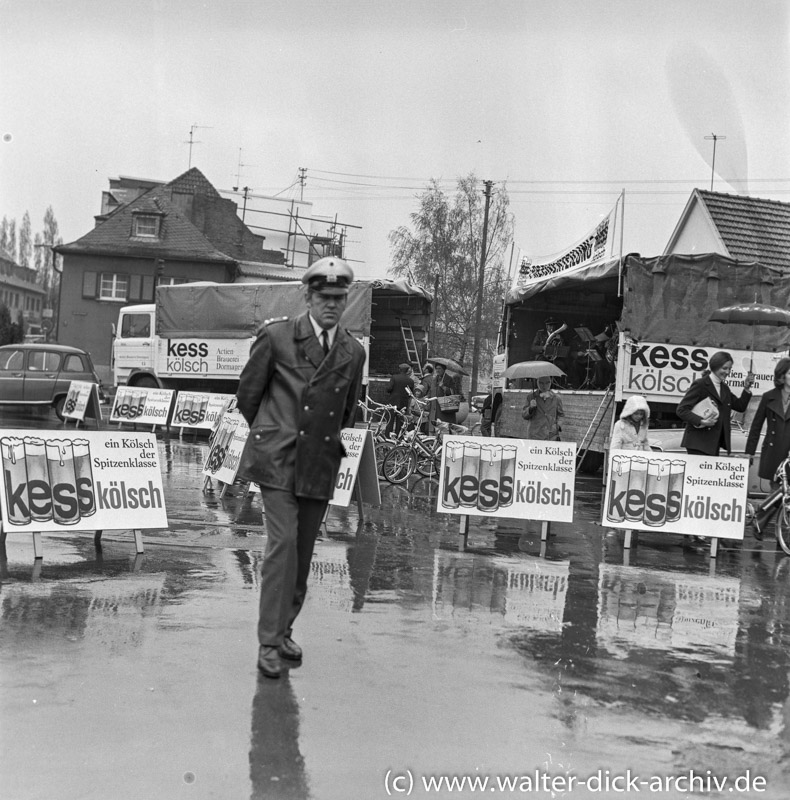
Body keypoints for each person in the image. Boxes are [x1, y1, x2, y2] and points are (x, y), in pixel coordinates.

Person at [236, 256, 366, 679]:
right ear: (307, 297)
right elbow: (248, 396)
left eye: (339, 298)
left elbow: (346, 411)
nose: (332, 304)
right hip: (278, 458)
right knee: (283, 544)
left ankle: (285, 628)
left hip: (319, 461)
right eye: (323, 297)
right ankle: (269, 642)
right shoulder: (276, 338)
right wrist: (275, 431)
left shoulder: (352, 351)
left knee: (304, 550)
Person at [676, 351, 754, 456]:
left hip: (713, 444)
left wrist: (746, 389)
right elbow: (681, 410)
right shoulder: (700, 384)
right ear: (715, 366)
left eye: (730, 369)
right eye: (724, 368)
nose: (727, 372)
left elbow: (740, 406)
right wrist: (702, 421)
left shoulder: (724, 388)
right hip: (697, 444)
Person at [745, 358, 790, 539]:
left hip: (789, 452)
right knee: (778, 491)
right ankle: (764, 524)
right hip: (774, 452)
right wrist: (749, 451)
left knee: (782, 493)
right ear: (782, 376)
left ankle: (760, 521)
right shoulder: (769, 396)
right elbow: (756, 426)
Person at [521, 376, 564, 441]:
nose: (544, 386)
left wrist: (558, 426)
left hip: (551, 436)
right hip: (535, 435)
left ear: (550, 383)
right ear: (537, 383)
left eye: (547, 383)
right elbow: (524, 415)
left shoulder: (556, 398)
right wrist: (530, 408)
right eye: (541, 383)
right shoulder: (531, 397)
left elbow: (561, 415)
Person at [385, 363, 415, 437]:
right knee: (400, 422)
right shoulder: (410, 381)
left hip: (392, 403)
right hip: (403, 404)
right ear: (407, 370)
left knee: (390, 421)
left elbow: (389, 389)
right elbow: (410, 393)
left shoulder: (394, 377)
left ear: (399, 369)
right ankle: (398, 438)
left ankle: (387, 438)